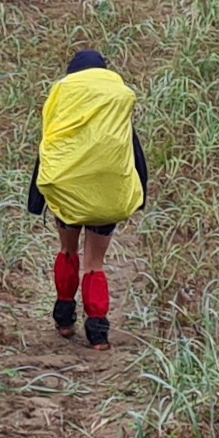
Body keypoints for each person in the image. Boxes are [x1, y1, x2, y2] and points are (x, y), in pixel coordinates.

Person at [29, 48, 145, 346]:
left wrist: (37, 200)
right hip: (107, 199)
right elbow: (136, 158)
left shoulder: (64, 114)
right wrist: (138, 197)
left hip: (68, 196)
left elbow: (47, 154)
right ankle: (98, 333)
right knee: (95, 263)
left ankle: (64, 318)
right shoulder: (115, 119)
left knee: (68, 251)